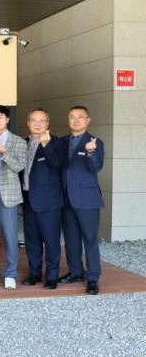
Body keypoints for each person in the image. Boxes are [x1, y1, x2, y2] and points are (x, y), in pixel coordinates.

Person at [60, 106, 105, 295]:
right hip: (65, 198)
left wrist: (91, 153)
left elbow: (96, 167)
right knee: (71, 239)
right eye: (72, 117)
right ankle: (76, 272)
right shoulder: (62, 142)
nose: (76, 120)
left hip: (87, 200)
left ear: (88, 120)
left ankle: (93, 277)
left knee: (90, 239)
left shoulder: (95, 142)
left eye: (80, 117)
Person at [0, 105, 27, 290]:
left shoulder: (18, 141)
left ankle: (10, 274)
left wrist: (4, 153)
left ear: (7, 120)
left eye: (0, 117)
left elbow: (19, 166)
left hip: (8, 193)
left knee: (10, 236)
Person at [21, 108, 65, 290]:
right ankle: (34, 273)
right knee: (32, 240)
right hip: (28, 199)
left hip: (49, 201)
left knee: (51, 241)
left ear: (47, 124)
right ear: (28, 123)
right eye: (34, 120)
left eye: (42, 121)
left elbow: (57, 164)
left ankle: (52, 276)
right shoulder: (23, 143)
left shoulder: (56, 142)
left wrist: (46, 146)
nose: (38, 124)